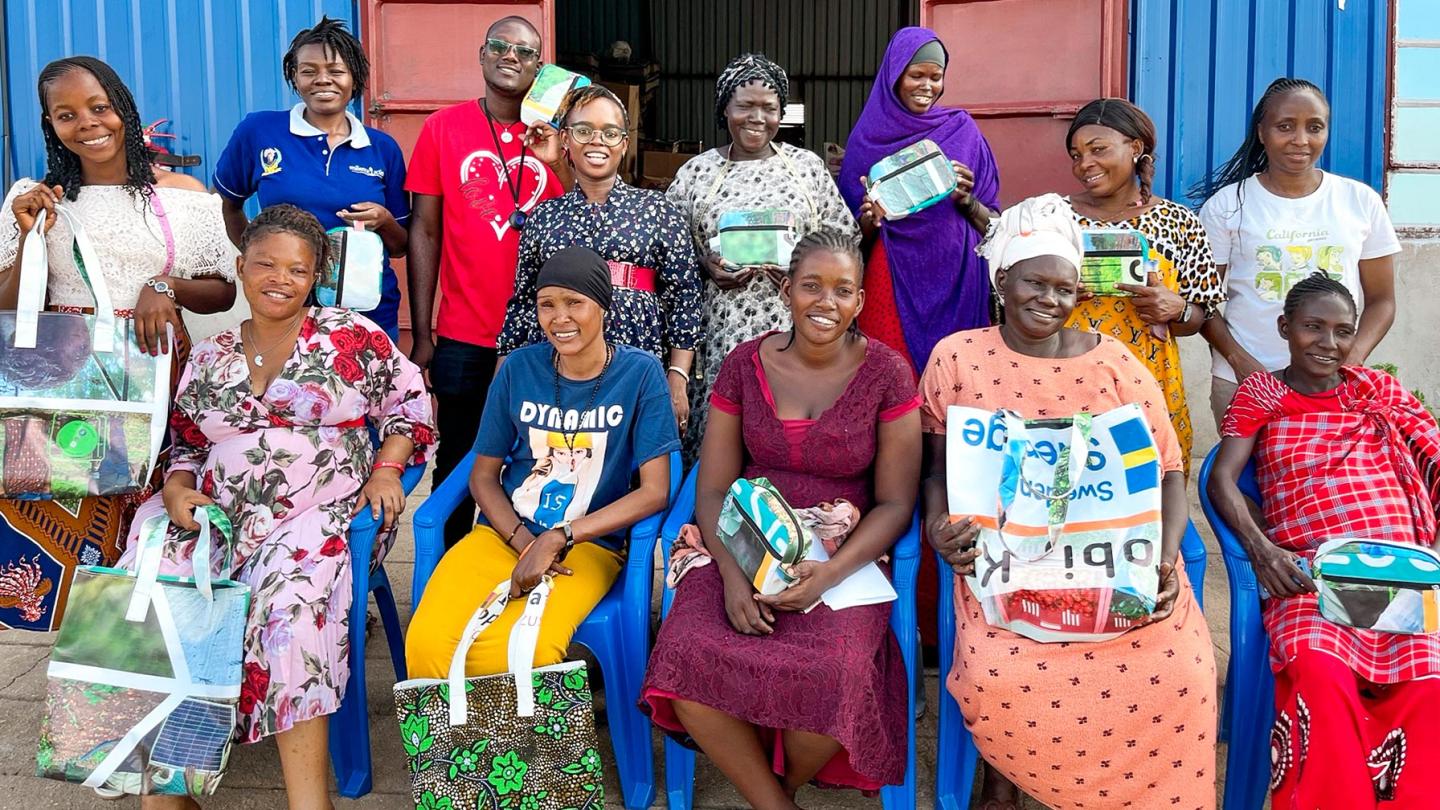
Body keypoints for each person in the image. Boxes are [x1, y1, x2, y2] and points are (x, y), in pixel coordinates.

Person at [120, 204, 434, 810]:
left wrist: (389, 467)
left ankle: (308, 803)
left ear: (315, 276)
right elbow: (186, 440)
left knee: (290, 616)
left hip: (319, 513)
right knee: (163, 601)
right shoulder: (211, 354)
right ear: (240, 268)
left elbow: (410, 406)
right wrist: (180, 488)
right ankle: (169, 793)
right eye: (265, 263)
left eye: (297, 269)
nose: (279, 278)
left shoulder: (351, 335)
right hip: (217, 513)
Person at [919, 195, 1216, 810]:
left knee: (1181, 671)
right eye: (1035, 282)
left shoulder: (1116, 363)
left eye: (1065, 289)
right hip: (1003, 572)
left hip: (1118, 569)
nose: (1049, 300)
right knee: (1001, 672)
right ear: (1003, 280)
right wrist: (936, 523)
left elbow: (1167, 473)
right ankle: (1006, 781)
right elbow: (934, 469)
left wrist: (1163, 563)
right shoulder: (957, 358)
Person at [642, 231, 919, 807]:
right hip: (739, 535)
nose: (826, 302)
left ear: (860, 302)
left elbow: (895, 502)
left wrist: (831, 572)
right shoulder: (746, 363)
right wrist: (736, 575)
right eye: (812, 286)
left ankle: (773, 796)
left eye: (843, 290)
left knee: (837, 676)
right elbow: (714, 486)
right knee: (686, 656)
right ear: (788, 290)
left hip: (843, 551)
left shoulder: (889, 372)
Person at [0, 56, 237, 632]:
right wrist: (29, 236)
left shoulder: (180, 196)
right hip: (70, 385)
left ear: (123, 110)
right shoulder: (36, 200)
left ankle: (152, 644)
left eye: (98, 107)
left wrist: (165, 286)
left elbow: (222, 292)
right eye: (66, 115)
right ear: (49, 126)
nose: (87, 123)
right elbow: (7, 306)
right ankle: (90, 657)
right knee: (74, 506)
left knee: (156, 512)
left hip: (155, 373)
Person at [1207, 274, 1440, 809]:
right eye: (1313, 327)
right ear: (1285, 328)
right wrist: (1264, 551)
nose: (1328, 344)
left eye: (1342, 331)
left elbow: (1433, 463)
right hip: (1313, 572)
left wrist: (1430, 564)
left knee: (1428, 682)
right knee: (1319, 669)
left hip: (1399, 572)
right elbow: (1222, 480)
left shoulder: (1375, 392)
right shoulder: (1262, 392)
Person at [406, 246, 675, 678]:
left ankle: (524, 747)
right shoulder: (518, 368)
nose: (560, 318)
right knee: (426, 643)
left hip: (587, 546)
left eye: (575, 303)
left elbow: (655, 490)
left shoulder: (640, 374)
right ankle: (462, 746)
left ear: (602, 306)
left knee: (522, 651)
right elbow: (483, 475)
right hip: (502, 535)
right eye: (546, 305)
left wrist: (561, 536)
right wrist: (523, 542)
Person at [405, 15, 570, 546]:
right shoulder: (443, 128)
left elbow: (583, 215)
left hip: (546, 339)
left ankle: (518, 564)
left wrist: (558, 154)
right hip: (465, 335)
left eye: (525, 52)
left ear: (539, 68)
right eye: (500, 46)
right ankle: (445, 570)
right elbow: (424, 232)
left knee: (538, 462)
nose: (511, 57)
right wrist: (424, 332)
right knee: (457, 460)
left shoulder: (557, 139)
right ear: (481, 55)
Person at [665, 52, 858, 459]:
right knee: (722, 433)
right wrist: (705, 267)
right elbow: (670, 252)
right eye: (745, 106)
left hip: (795, 328)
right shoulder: (697, 172)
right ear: (724, 110)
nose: (757, 118)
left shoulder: (806, 168)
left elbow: (844, 239)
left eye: (769, 108)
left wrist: (802, 268)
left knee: (788, 433)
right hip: (720, 330)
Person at [497, 84, 703, 431]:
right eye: (583, 130)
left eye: (610, 132)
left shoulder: (657, 210)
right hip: (556, 366)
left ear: (624, 143)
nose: (597, 141)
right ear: (565, 139)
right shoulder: (545, 217)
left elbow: (684, 296)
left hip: (638, 362)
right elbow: (521, 303)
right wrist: (503, 382)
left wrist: (678, 376)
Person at [1194, 77, 1399, 425]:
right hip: (1247, 384)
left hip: (1333, 386)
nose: (1301, 140)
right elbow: (1202, 302)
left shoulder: (1359, 201)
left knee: (1331, 481)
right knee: (1244, 479)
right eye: (1285, 126)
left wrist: (1351, 362)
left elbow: (1382, 300)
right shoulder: (1227, 206)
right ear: (1262, 132)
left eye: (1314, 127)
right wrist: (1241, 363)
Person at [213, 16, 410, 339]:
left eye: (336, 71)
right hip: (284, 306)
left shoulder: (382, 149)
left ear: (354, 77)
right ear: (294, 75)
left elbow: (402, 245)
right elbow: (223, 205)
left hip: (367, 314)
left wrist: (385, 220)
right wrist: (257, 259)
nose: (323, 80)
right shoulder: (259, 131)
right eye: (309, 71)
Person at [1064, 98, 1224, 475]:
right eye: (1076, 154)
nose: (1084, 163)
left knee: (1150, 492)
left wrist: (1177, 309)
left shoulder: (1179, 222)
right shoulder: (1054, 216)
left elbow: (1199, 317)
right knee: (1073, 494)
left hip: (1149, 385)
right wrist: (1056, 296)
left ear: (1135, 148)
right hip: (1065, 380)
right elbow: (1012, 299)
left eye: (1097, 149)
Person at [839, 27, 1000, 371]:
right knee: (890, 378)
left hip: (957, 276)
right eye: (916, 75)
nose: (927, 86)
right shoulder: (868, 139)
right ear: (895, 75)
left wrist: (967, 199)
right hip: (894, 275)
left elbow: (994, 223)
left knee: (957, 377)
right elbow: (848, 237)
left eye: (936, 77)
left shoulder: (962, 129)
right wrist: (869, 218)